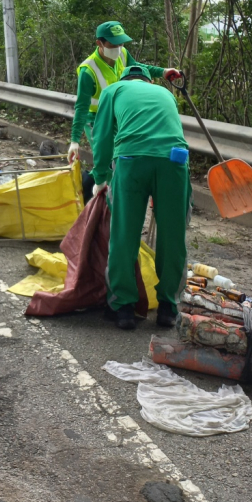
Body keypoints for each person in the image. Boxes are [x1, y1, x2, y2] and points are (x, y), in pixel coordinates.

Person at [91, 63, 189, 331]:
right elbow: (170, 131)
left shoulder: (113, 90)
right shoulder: (165, 93)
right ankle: (169, 307)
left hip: (131, 159)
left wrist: (100, 177)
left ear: (125, 79)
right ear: (148, 81)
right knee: (173, 236)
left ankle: (122, 307)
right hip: (174, 162)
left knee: (124, 233)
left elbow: (102, 137)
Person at [67, 21, 182, 197]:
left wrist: (163, 72)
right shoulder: (88, 70)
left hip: (119, 115)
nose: (118, 48)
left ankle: (101, 191)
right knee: (107, 159)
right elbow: (81, 107)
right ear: (99, 43)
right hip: (96, 119)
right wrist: (75, 140)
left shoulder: (122, 54)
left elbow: (139, 69)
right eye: (113, 44)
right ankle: (99, 197)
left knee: (121, 157)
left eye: (121, 43)